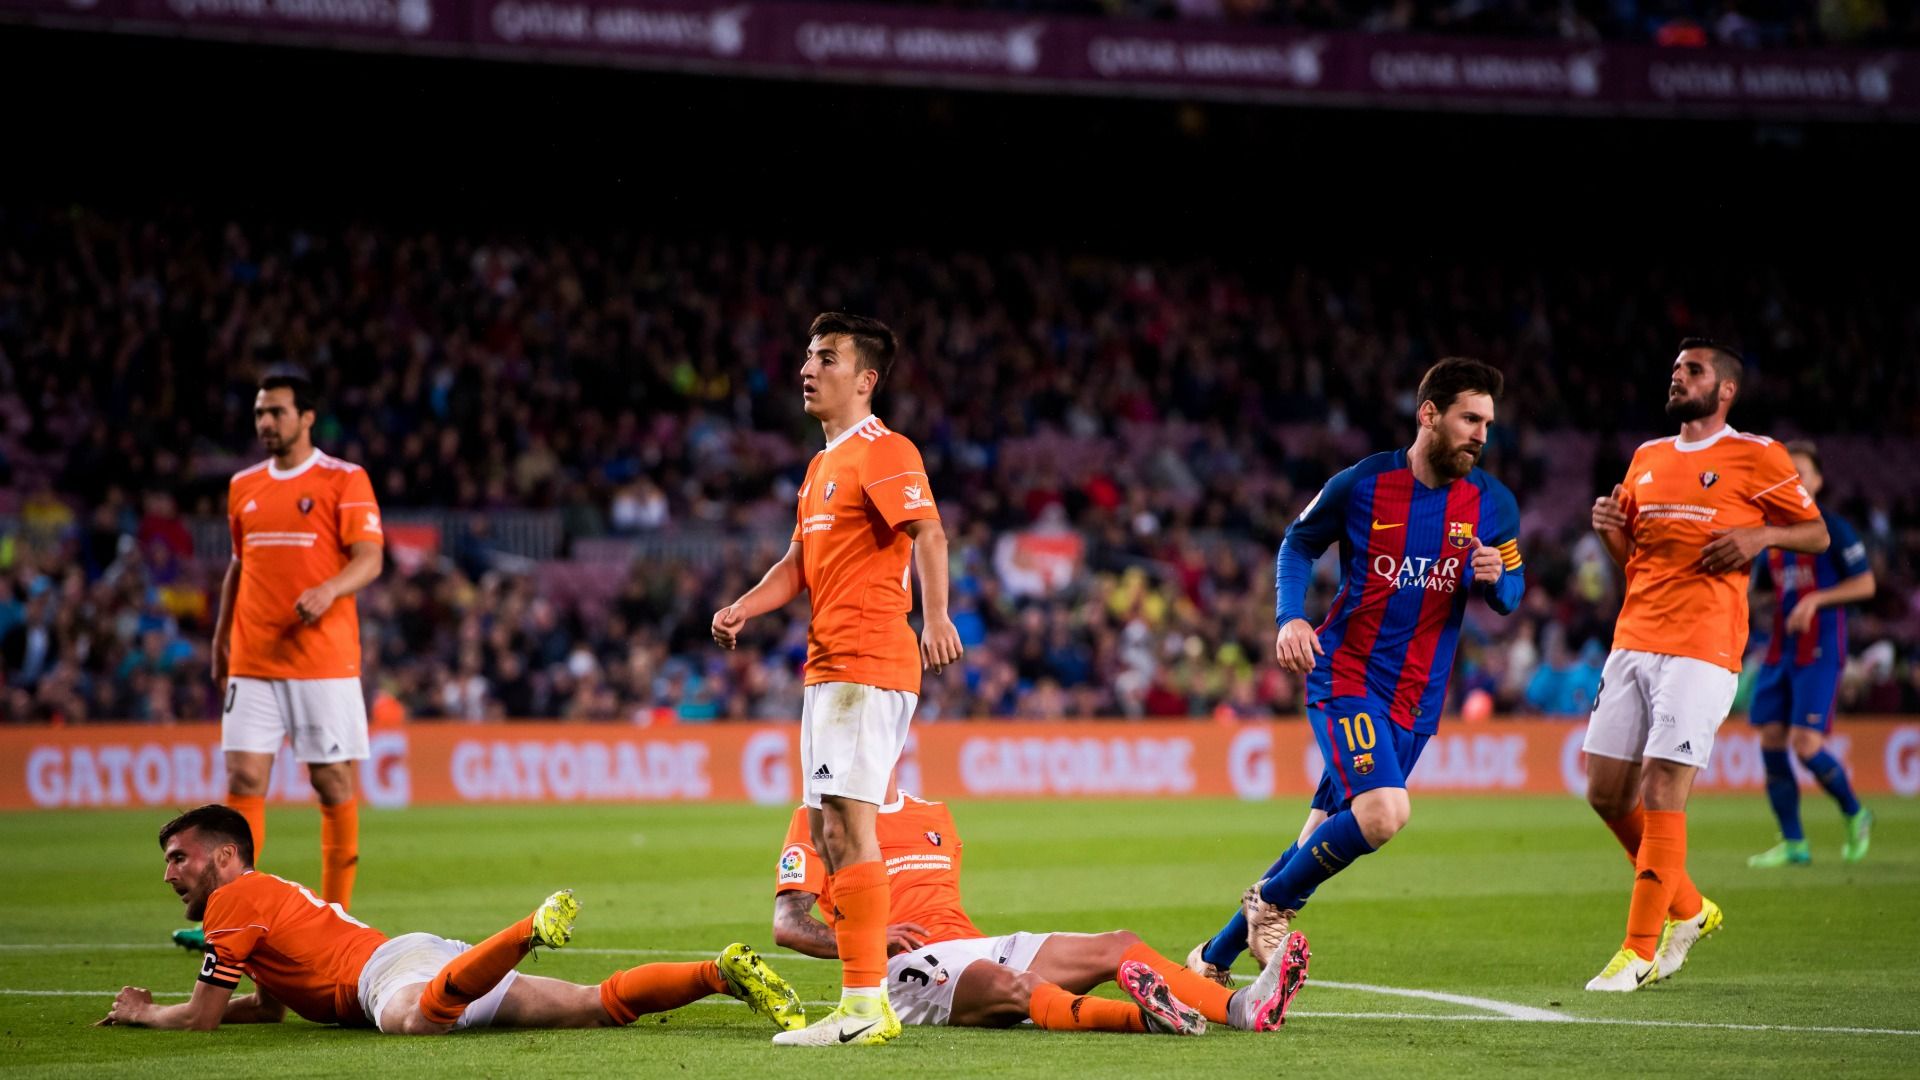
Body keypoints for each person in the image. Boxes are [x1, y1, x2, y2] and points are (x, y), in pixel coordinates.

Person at [1190, 357, 1525, 983]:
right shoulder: (1363, 484)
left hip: (1418, 701)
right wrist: (1291, 617)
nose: (1482, 434)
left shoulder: (1493, 504)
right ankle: (1272, 907)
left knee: (1317, 836)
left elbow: (1513, 589)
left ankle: (1210, 958)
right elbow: (1298, 542)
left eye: (1488, 423)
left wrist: (1497, 579)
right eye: (1469, 418)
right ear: (1429, 414)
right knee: (1384, 813)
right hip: (1346, 675)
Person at [713, 313, 964, 1046]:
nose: (807, 368)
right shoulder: (822, 467)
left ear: (864, 380)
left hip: (868, 661)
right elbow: (797, 564)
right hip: (829, 668)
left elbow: (930, 533)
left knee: (852, 829)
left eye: (826, 357)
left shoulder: (884, 450)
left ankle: (864, 1007)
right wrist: (743, 608)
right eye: (806, 356)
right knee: (832, 829)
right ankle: (863, 1003)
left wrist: (938, 617)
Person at [1583, 339, 1830, 991]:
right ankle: (1690, 909)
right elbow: (1636, 563)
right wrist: (1610, 530)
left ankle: (1638, 952)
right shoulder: (1647, 458)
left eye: (1692, 370)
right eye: (1674, 368)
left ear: (1725, 390)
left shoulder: (1758, 456)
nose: (1677, 376)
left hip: (1705, 643)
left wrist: (1761, 534)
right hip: (1635, 635)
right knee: (1606, 791)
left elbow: (1817, 533)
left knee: (1663, 784)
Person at [106, 805, 804, 1035]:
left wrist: (143, 1013)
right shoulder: (257, 901)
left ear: (224, 857)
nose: (170, 875)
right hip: (425, 958)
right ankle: (717, 972)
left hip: (389, 976)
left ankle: (526, 931)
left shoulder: (233, 900)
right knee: (593, 1006)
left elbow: (198, 1017)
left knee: (414, 1024)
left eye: (179, 859)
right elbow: (264, 1009)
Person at [771, 784, 1310, 1037]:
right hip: (899, 969)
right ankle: (1147, 1021)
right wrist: (874, 938)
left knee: (1118, 943)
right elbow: (789, 925)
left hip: (971, 946)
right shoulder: (817, 819)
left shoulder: (933, 813)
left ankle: (1241, 1009)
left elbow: (941, 909)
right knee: (1019, 989)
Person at [177, 374, 385, 951]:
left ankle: (337, 919)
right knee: (244, 779)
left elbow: (370, 559)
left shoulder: (344, 478)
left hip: (322, 660)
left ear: (307, 416)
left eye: (277, 412)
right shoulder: (243, 484)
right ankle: (229, 914)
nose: (266, 422)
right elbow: (239, 567)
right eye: (259, 413)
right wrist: (221, 636)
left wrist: (330, 590)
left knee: (330, 781)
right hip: (252, 656)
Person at [1746, 440, 1875, 867]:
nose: (1796, 480)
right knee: (1770, 739)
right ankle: (1794, 842)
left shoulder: (1833, 529)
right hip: (1781, 648)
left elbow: (1865, 585)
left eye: (1802, 472)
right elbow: (1764, 591)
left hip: (1820, 649)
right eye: (1789, 473)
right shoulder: (1776, 538)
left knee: (1804, 743)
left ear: (1817, 481)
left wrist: (1815, 600)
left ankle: (1856, 812)